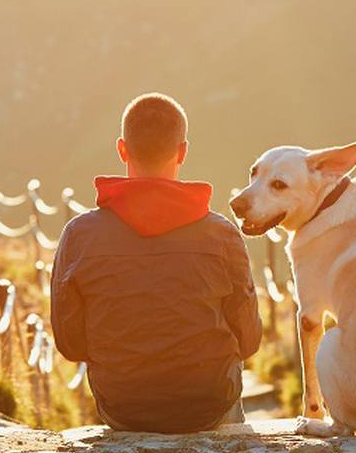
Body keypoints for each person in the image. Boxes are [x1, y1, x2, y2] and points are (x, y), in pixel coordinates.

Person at [51, 92, 262, 432]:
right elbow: (249, 340)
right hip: (209, 405)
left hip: (122, 408)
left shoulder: (79, 235)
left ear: (122, 149)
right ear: (182, 152)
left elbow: (71, 344)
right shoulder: (222, 235)